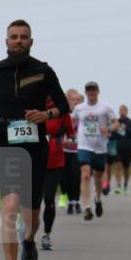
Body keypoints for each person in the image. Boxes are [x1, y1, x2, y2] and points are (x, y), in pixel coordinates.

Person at [0, 19, 69, 260]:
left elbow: (62, 104)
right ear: (6, 42)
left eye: (23, 37)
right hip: (4, 144)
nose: (18, 41)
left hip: (36, 147)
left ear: (31, 41)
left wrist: (45, 115)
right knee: (9, 208)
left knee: (32, 214)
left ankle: (29, 240)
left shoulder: (43, 70)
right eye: (13, 37)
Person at [71, 82, 116, 220]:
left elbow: (116, 122)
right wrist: (69, 131)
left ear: (98, 91)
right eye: (88, 90)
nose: (91, 92)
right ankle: (86, 207)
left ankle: (97, 198)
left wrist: (109, 129)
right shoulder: (79, 108)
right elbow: (72, 121)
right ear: (85, 92)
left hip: (100, 148)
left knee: (97, 179)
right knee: (85, 175)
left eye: (93, 90)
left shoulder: (105, 108)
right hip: (84, 146)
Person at [40, 96, 75, 250]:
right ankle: (26, 229)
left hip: (55, 161)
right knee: (31, 200)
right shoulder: (32, 104)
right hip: (35, 159)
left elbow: (70, 131)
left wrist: (70, 139)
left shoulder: (61, 109)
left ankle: (46, 235)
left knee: (49, 199)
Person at [62, 89, 83, 214]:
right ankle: (70, 202)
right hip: (64, 150)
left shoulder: (82, 114)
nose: (76, 102)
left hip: (78, 150)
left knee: (76, 176)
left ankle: (77, 201)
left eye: (78, 100)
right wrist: (63, 140)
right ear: (68, 100)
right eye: (73, 100)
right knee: (66, 177)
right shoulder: (63, 114)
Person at [113, 105, 131, 194]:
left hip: (128, 148)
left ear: (126, 112)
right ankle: (118, 186)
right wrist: (114, 131)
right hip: (118, 147)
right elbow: (112, 134)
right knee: (118, 165)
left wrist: (126, 128)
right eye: (120, 110)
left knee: (126, 168)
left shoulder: (130, 122)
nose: (122, 111)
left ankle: (125, 185)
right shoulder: (116, 122)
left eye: (123, 110)